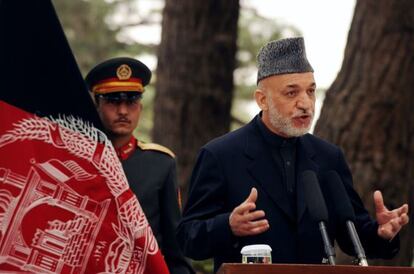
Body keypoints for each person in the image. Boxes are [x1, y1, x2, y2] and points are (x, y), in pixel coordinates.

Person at [176, 37, 409, 272]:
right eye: (291, 93)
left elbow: (351, 236)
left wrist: (381, 234)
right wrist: (227, 226)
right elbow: (187, 238)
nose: (305, 104)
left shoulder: (328, 157)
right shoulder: (221, 155)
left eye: (310, 91)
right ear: (262, 100)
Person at [85, 57, 194, 274]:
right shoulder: (80, 159)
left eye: (131, 102)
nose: (123, 111)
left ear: (140, 107)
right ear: (97, 105)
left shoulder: (160, 163)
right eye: (114, 101)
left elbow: (173, 246)